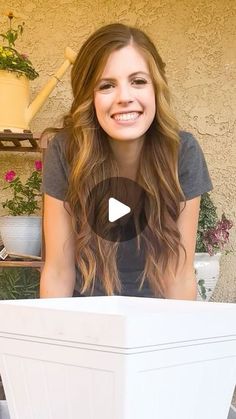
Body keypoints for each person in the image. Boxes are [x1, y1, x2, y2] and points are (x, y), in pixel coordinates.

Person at [40, 23, 212, 300]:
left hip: (155, 322)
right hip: (87, 322)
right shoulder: (66, 151)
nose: (125, 98)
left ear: (156, 87)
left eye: (138, 81)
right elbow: (59, 271)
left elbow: (178, 274)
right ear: (89, 96)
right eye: (106, 85)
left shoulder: (182, 152)